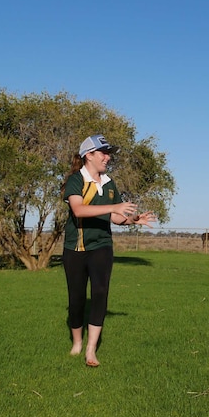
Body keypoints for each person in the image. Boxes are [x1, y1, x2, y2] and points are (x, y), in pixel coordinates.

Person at [61, 134, 156, 367]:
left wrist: (132, 220)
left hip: (102, 246)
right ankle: (77, 343)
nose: (108, 157)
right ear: (88, 156)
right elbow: (78, 210)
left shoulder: (110, 183)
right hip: (75, 248)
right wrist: (114, 207)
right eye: (103, 152)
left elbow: (115, 217)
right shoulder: (76, 180)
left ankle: (91, 351)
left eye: (108, 152)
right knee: (76, 299)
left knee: (101, 293)